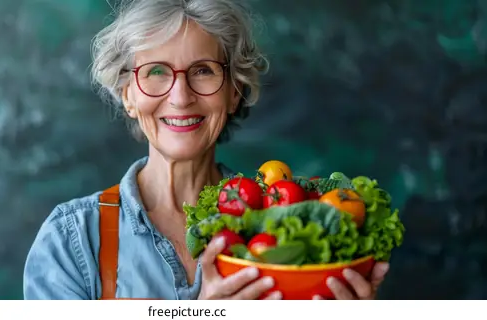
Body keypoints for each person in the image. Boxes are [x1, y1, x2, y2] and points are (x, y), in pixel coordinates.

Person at [22, 0, 390, 300]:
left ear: (234, 91)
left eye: (203, 71)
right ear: (127, 96)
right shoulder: (71, 240)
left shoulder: (293, 222)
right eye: (155, 72)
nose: (180, 97)